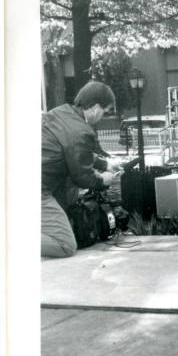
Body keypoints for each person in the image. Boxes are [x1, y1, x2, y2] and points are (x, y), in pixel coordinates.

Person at [41, 81, 121, 258]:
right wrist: (104, 179)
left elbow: (72, 151)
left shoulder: (60, 112)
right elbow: (83, 178)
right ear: (95, 108)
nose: (102, 117)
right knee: (65, 245)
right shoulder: (81, 131)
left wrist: (104, 164)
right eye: (104, 112)